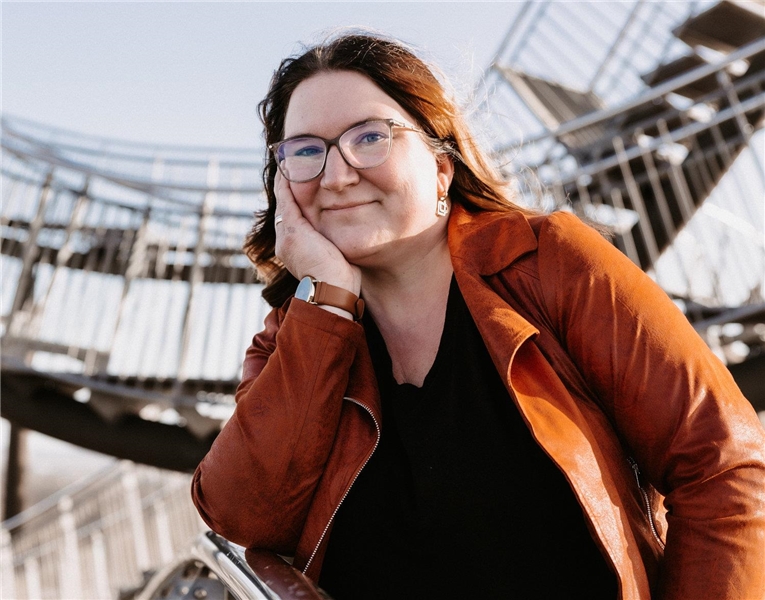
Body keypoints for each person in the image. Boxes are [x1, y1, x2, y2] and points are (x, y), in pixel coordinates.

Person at [191, 32, 765, 599]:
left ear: (442, 166)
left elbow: (724, 470)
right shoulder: (293, 340)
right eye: (307, 152)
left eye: (370, 138)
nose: (337, 176)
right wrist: (330, 300)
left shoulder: (550, 266)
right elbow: (244, 519)